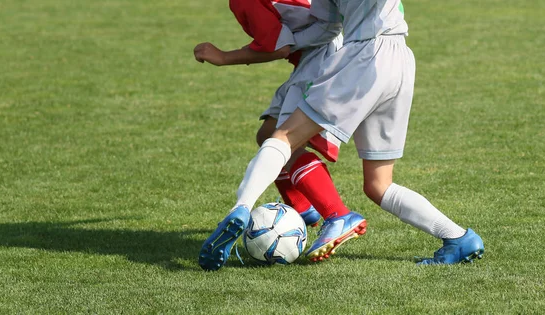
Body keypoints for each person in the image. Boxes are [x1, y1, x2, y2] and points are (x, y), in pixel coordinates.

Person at [197, 0, 485, 270]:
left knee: (283, 137)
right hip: (400, 60)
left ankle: (243, 208)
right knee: (378, 185)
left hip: (366, 57)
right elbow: (326, 26)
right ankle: (458, 238)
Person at [194, 0, 367, 271]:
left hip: (323, 61)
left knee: (285, 142)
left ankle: (338, 215)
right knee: (267, 136)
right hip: (324, 53)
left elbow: (277, 46)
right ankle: (303, 209)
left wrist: (224, 57)